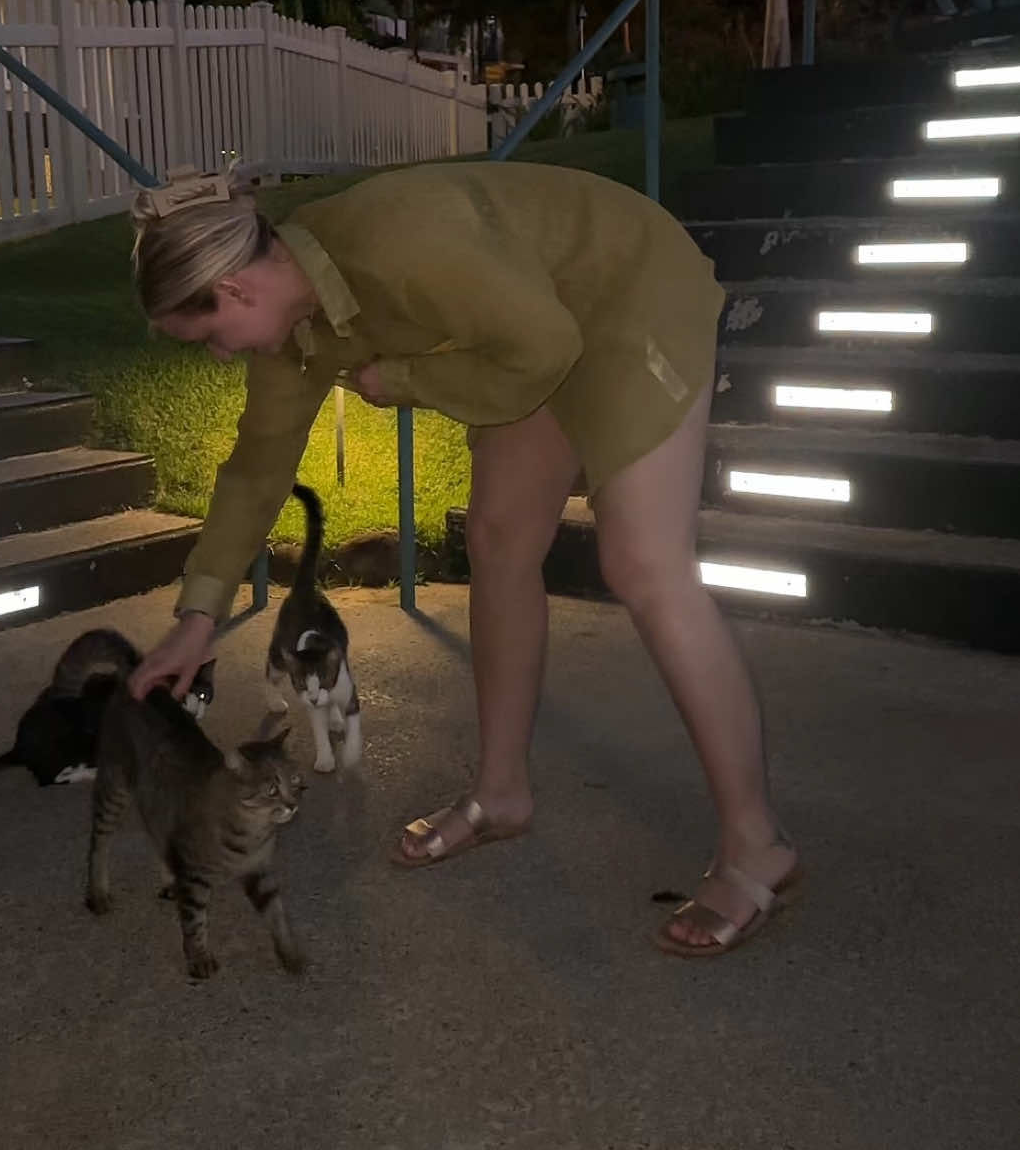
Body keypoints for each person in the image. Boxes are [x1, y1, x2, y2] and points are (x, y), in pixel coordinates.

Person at [127, 160, 800, 956]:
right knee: (499, 538)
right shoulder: (296, 334)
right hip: (530, 324)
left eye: (209, 337)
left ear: (234, 290)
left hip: (624, 287)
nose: (218, 355)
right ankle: (502, 792)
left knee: (643, 562)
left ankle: (757, 844)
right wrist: (196, 620)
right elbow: (255, 470)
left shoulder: (400, 240)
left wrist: (403, 378)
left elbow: (546, 344)